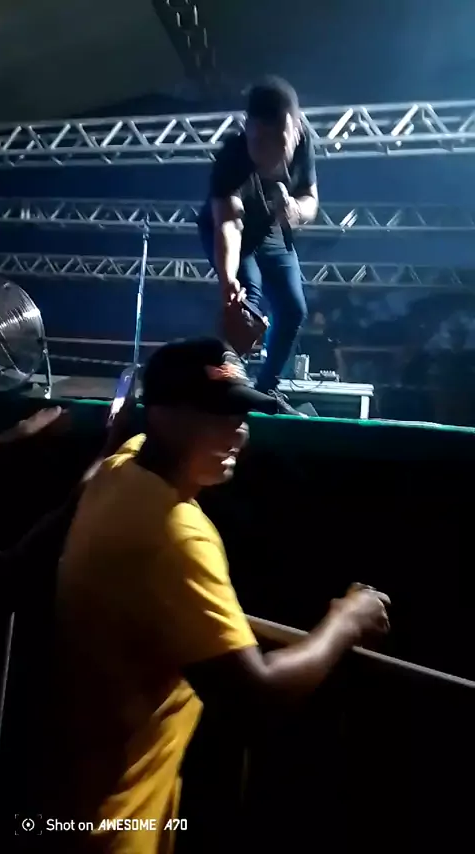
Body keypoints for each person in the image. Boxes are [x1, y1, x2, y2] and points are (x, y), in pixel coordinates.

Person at [33, 338, 389, 854]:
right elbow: (257, 696)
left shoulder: (120, 471)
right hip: (115, 832)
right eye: (216, 416)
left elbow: (111, 457)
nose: (237, 432)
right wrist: (347, 620)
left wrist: (113, 435)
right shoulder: (177, 535)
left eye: (240, 416)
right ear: (163, 416)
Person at [198, 76, 319, 415]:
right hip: (229, 228)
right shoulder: (232, 158)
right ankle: (223, 384)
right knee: (246, 303)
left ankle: (266, 389)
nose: (264, 155)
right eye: (257, 141)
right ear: (247, 127)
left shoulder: (306, 142)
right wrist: (228, 280)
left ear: (294, 128)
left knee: (293, 309)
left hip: (271, 228)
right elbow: (228, 224)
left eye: (274, 142)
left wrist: (295, 211)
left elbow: (311, 200)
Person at [299, 310, 344, 377]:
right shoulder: (305, 340)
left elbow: (338, 360)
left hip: (328, 373)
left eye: (322, 319)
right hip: (310, 373)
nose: (320, 321)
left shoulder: (330, 340)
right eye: (317, 319)